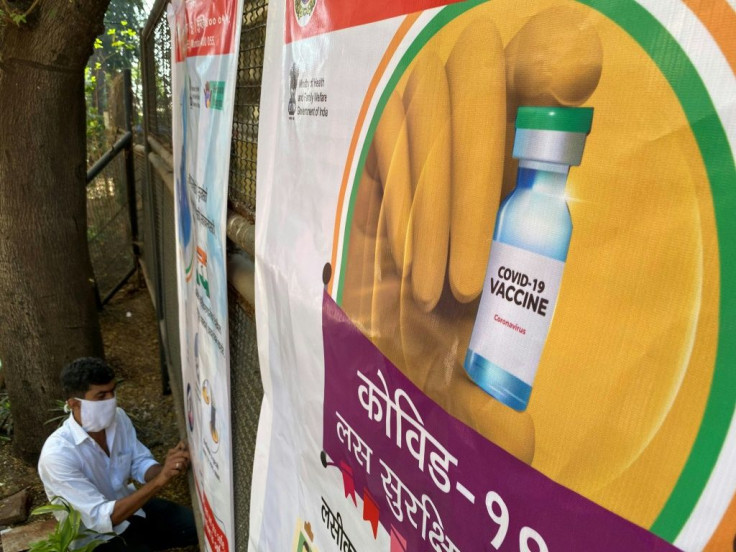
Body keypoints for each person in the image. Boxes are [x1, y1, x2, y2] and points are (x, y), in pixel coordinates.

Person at [38, 357, 198, 551]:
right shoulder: (57, 455)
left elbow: (139, 462)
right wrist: (159, 481)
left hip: (132, 510)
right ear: (74, 404)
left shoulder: (119, 418)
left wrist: (167, 468)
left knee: (195, 526)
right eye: (101, 396)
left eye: (113, 392)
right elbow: (101, 518)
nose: (111, 401)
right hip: (96, 538)